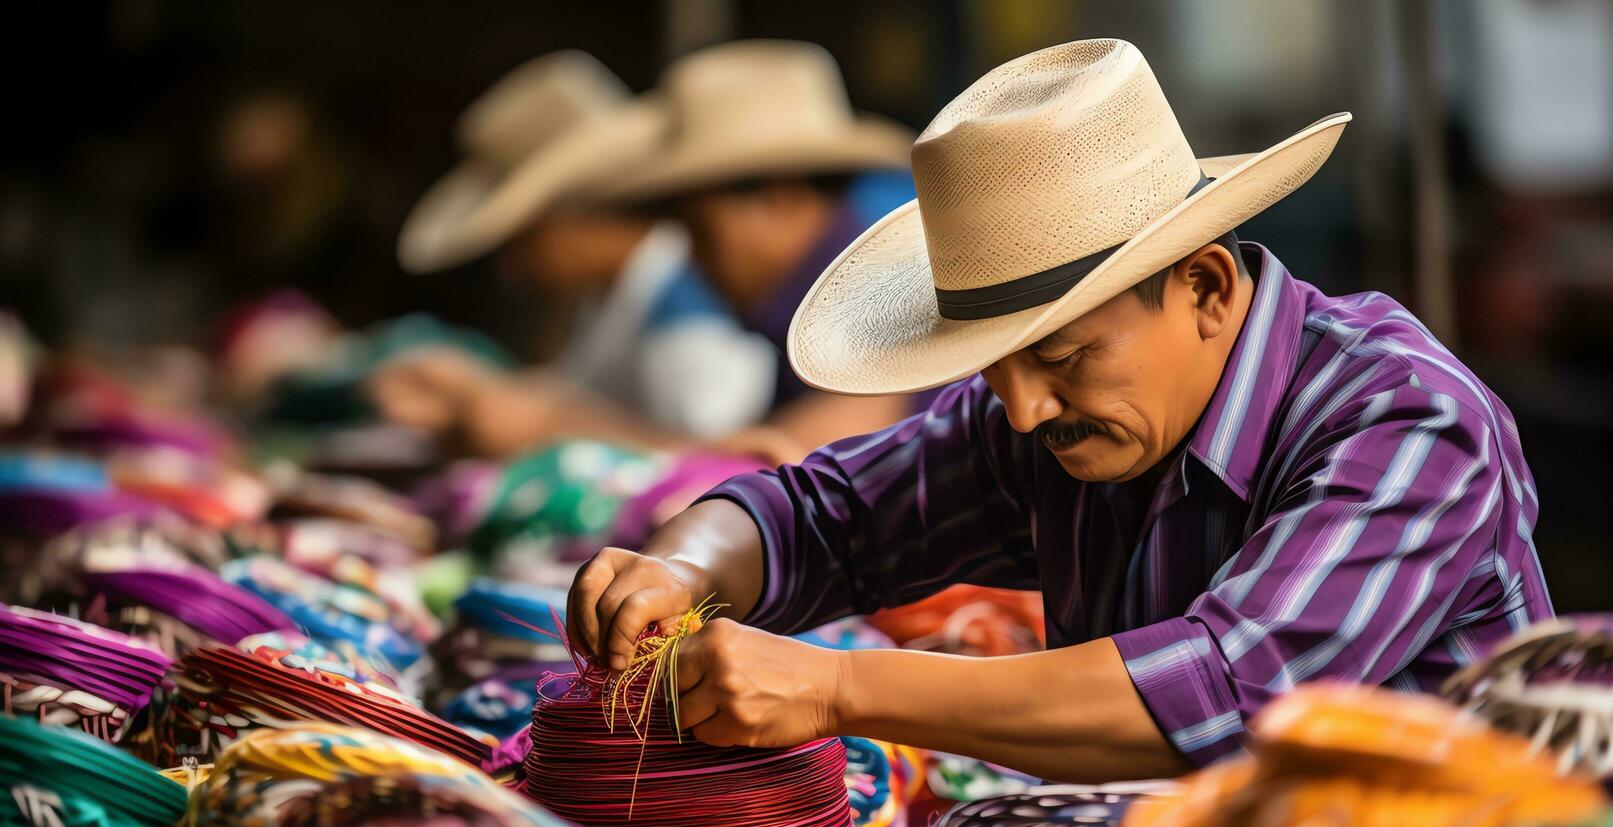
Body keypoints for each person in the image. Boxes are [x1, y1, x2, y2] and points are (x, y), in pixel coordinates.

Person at [569, 40, 1553, 783]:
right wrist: (679, 566)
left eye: (1063, 354)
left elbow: (1223, 691)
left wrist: (831, 687)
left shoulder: (1408, 425)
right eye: (992, 370)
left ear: (1206, 288)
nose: (1025, 408)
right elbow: (814, 517)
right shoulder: (1047, 418)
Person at [378, 51, 776, 457]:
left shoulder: (683, 296)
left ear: (571, 213)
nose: (512, 268)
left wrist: (543, 421)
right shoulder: (607, 295)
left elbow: (717, 460)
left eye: (521, 240)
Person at [604, 40, 923, 461]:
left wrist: (554, 425)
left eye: (699, 233)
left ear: (778, 198)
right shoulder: (804, 312)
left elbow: (797, 459)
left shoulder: (878, 296)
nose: (691, 259)